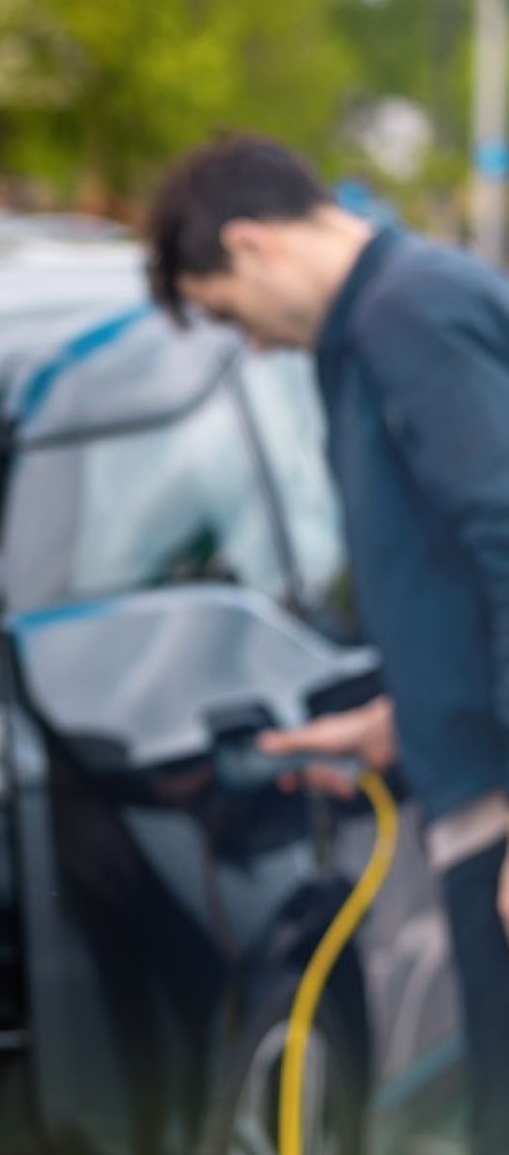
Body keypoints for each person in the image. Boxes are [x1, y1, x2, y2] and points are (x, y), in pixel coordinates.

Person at [146, 134, 509, 1155]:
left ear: (252, 246)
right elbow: (455, 567)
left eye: (227, 313)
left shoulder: (409, 318)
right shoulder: (384, 321)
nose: (251, 345)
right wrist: (412, 712)